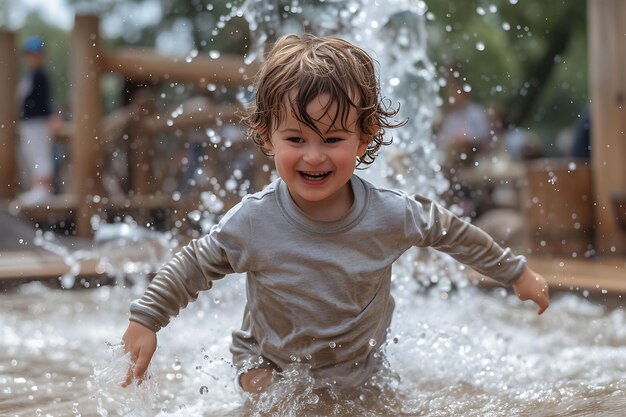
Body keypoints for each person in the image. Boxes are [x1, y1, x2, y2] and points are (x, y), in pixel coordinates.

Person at [121, 34, 550, 395]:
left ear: (364, 139)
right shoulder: (254, 220)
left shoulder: (390, 214)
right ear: (267, 136)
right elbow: (194, 264)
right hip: (266, 360)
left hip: (359, 366)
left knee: (371, 399)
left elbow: (452, 233)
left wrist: (515, 273)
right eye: (295, 138)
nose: (313, 155)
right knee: (264, 393)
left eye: (332, 138)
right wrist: (147, 318)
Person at [15, 36, 60, 205]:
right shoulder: (31, 75)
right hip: (29, 122)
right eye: (29, 54)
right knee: (32, 154)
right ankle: (38, 189)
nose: (32, 57)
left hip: (39, 122)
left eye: (35, 54)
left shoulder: (42, 76)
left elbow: (44, 101)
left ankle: (43, 190)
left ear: (42, 55)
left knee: (41, 155)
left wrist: (51, 118)